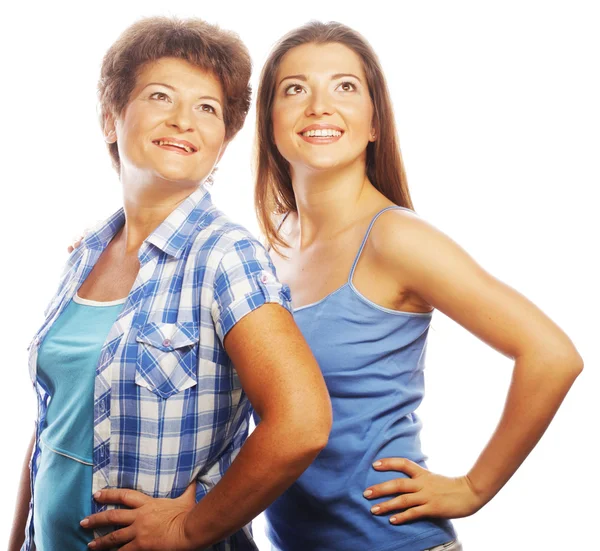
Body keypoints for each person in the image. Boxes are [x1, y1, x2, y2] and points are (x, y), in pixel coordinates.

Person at [253, 21, 584, 551]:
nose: (319, 105)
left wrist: (474, 488)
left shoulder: (395, 239)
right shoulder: (274, 244)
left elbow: (552, 354)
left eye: (344, 86)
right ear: (270, 121)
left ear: (374, 122)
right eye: (295, 89)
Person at [8, 17, 332, 551]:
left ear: (222, 142)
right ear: (111, 119)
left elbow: (302, 423)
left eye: (207, 108)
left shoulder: (225, 256)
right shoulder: (84, 256)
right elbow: (52, 425)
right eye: (162, 97)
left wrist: (190, 527)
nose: (185, 120)